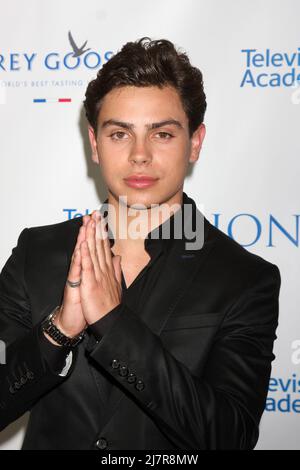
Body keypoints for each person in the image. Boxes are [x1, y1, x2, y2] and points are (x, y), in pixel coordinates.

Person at [0, 37, 281, 450]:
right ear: (95, 144)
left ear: (196, 142)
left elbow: (230, 437)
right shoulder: (38, 254)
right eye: (119, 134)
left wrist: (114, 323)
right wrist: (58, 331)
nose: (139, 156)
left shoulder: (245, 278)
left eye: (162, 134)